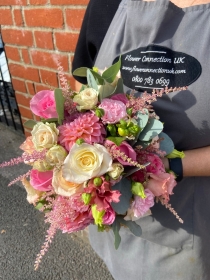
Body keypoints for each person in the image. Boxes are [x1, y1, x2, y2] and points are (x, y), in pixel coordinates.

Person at [72, 1, 210, 279]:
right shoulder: (105, 5)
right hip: (119, 223)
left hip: (197, 221)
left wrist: (164, 168)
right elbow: (81, 83)